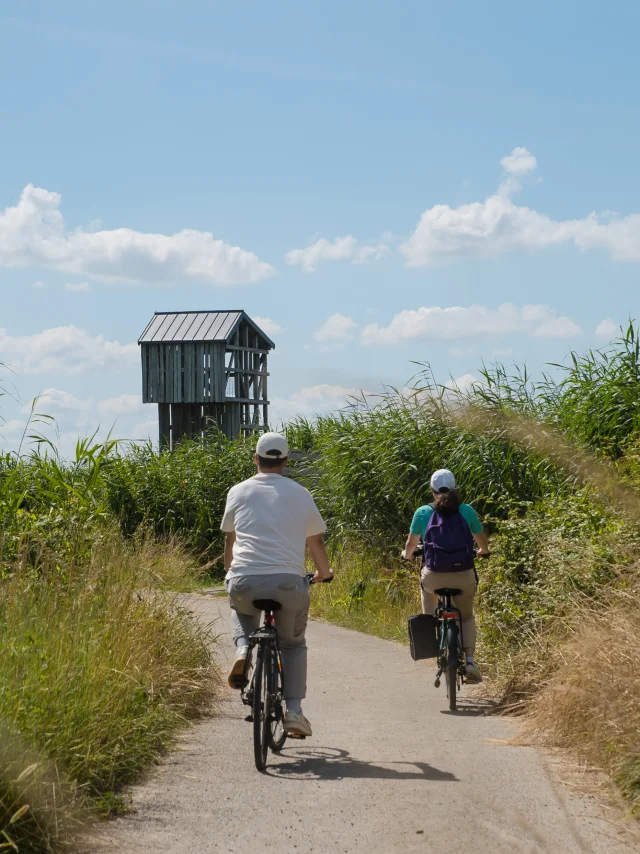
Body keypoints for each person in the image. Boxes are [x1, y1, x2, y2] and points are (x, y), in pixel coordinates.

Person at [221, 431, 333, 738]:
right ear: (285, 462)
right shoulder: (300, 493)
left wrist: (231, 573)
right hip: (288, 583)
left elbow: (231, 539)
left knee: (241, 610)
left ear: (255, 460)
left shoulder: (237, 492)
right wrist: (324, 573)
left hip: (244, 578)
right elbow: (315, 543)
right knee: (293, 644)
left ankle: (243, 650)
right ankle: (294, 711)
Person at [401, 469, 489, 682]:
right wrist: (483, 551)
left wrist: (407, 555)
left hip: (434, 577)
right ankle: (469, 661)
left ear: (432, 490)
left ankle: (432, 627)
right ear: (455, 489)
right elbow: (482, 541)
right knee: (466, 616)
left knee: (427, 593)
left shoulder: (423, 512)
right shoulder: (466, 511)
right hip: (463, 575)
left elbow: (411, 545)